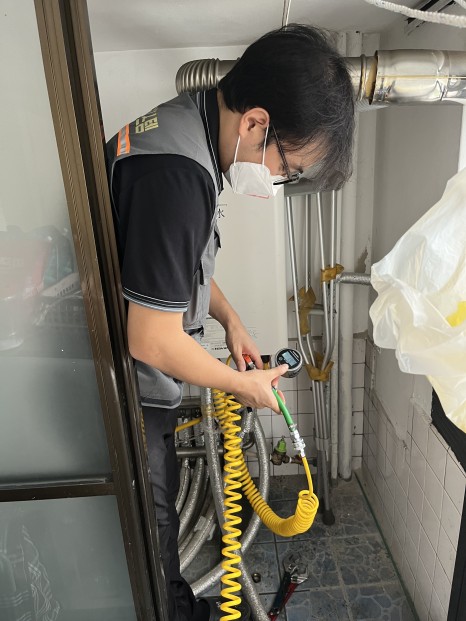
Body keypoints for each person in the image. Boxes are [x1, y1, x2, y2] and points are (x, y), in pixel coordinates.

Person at [106, 23, 354, 621]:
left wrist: (232, 321)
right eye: (287, 166)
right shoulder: (177, 177)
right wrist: (241, 385)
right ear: (255, 123)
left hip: (121, 382)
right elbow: (151, 337)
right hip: (127, 402)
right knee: (150, 567)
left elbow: (165, 265)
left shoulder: (180, 127)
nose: (278, 180)